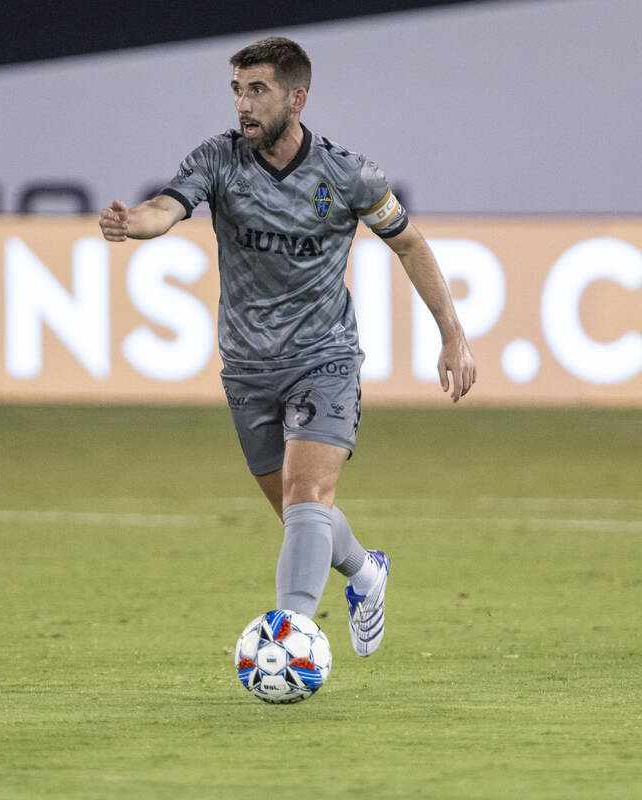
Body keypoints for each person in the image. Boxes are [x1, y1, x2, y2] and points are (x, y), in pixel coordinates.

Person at [99, 37, 475, 658]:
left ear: (296, 98)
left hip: (322, 358)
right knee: (304, 518)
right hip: (247, 370)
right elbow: (168, 207)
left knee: (307, 500)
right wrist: (135, 223)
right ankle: (366, 572)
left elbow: (408, 244)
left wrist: (452, 334)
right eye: (238, 90)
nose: (244, 104)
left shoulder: (347, 174)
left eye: (258, 90)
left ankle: (289, 636)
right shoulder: (217, 160)